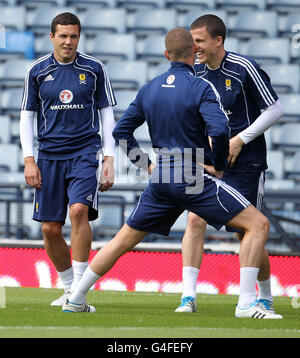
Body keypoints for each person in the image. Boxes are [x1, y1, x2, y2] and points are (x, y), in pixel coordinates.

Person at [62, 27, 280, 319]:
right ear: (193, 53)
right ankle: (246, 304)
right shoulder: (202, 87)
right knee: (258, 225)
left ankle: (75, 297)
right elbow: (218, 129)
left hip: (161, 174)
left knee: (122, 240)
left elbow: (120, 131)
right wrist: (218, 165)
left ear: (166, 55)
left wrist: (146, 165)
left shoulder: (150, 87)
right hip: (192, 174)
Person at [175, 15, 283, 315]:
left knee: (247, 230)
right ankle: (188, 296)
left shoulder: (244, 68)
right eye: (191, 40)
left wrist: (240, 140)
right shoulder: (193, 73)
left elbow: (275, 109)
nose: (193, 46)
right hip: (206, 161)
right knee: (195, 220)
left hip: (246, 162)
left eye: (199, 40)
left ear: (218, 40)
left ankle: (261, 297)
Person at [19, 12, 116, 306]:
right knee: (49, 228)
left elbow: (107, 114)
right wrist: (28, 159)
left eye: (73, 36)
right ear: (52, 37)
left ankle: (80, 292)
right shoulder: (36, 71)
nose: (68, 42)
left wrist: (109, 157)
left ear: (79, 36)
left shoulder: (94, 68)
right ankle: (68, 287)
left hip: (85, 153)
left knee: (77, 212)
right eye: (62, 36)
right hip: (48, 156)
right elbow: (27, 116)